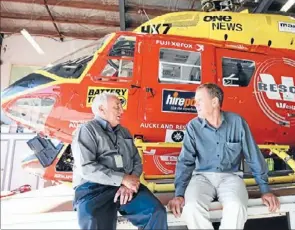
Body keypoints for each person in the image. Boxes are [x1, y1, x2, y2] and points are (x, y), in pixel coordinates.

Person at [168, 83, 280, 229]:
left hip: (230, 177)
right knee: (192, 208)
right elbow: (185, 162)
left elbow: (253, 155)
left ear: (214, 102)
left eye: (199, 100)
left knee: (237, 206)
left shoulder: (237, 122)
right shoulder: (193, 126)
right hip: (201, 177)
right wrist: (179, 194)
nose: (195, 104)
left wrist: (265, 190)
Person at [71, 92, 167, 230]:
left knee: (156, 212)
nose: (122, 111)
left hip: (126, 186)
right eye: (117, 107)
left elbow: (137, 161)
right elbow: (86, 167)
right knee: (93, 220)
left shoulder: (125, 132)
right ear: (101, 109)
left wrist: (128, 183)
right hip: (94, 188)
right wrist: (122, 179)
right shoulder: (87, 130)